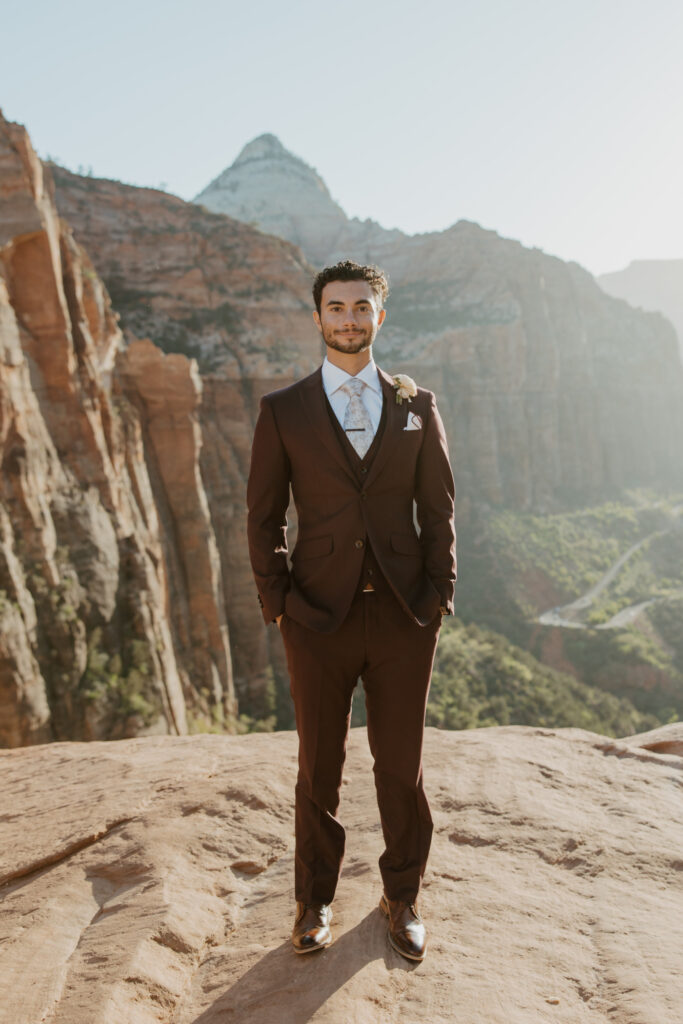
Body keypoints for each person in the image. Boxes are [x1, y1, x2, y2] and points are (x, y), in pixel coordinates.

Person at [246, 260, 456, 961]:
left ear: (378, 317)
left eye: (360, 307)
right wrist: (279, 601)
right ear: (317, 317)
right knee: (319, 767)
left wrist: (438, 594)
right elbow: (263, 515)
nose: (347, 318)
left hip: (404, 615)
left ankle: (401, 897)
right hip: (315, 616)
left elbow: (438, 508)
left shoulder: (415, 405)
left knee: (401, 765)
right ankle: (314, 901)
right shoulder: (284, 410)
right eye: (335, 307)